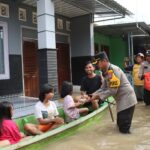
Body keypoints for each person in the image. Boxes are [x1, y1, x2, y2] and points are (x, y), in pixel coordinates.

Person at [91, 52, 137, 134]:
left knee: (124, 128)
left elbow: (113, 90)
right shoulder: (105, 71)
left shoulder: (112, 70)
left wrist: (97, 96)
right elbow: (103, 88)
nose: (97, 66)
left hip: (127, 100)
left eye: (98, 63)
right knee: (120, 125)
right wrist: (92, 95)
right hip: (121, 101)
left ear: (104, 61)